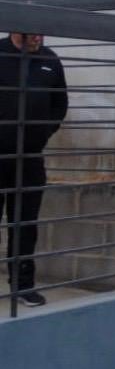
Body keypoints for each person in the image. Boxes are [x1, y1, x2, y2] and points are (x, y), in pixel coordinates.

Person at [0, 33, 68, 306]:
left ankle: (23, 286)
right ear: (17, 30)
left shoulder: (49, 59)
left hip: (30, 158)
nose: (39, 38)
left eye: (43, 33)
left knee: (25, 224)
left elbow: (59, 104)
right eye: (34, 33)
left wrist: (41, 133)